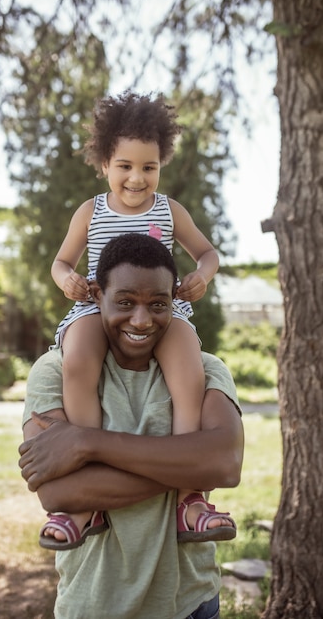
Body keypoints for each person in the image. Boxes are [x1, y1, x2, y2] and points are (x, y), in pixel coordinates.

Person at [19, 233, 244, 619]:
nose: (141, 319)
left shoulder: (206, 370)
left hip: (189, 603)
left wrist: (86, 444)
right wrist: (188, 464)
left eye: (158, 304)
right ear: (96, 297)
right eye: (124, 302)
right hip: (92, 605)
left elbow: (225, 464)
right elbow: (59, 492)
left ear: (174, 300)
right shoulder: (53, 371)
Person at [45, 90, 233, 548]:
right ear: (105, 164)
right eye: (125, 166)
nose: (137, 177)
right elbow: (60, 263)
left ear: (160, 166)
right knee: (76, 362)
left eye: (148, 167)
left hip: (160, 306)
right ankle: (84, 499)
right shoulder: (91, 211)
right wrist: (68, 280)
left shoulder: (170, 211)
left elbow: (208, 253)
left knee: (189, 366)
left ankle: (191, 498)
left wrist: (201, 276)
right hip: (97, 305)